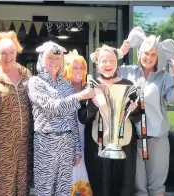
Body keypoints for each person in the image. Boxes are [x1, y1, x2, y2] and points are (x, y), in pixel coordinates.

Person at [119, 26, 174, 196]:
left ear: (158, 57)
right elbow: (104, 69)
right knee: (139, 187)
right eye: (145, 53)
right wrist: (119, 53)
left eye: (153, 54)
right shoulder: (128, 72)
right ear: (139, 53)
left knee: (156, 187)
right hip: (134, 139)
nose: (148, 57)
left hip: (157, 139)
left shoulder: (164, 77)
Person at [28, 41, 95, 196]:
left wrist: (77, 150)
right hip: (46, 141)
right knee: (44, 189)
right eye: (49, 57)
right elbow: (52, 108)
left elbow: (72, 118)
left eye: (57, 58)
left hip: (67, 143)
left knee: (63, 190)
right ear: (42, 59)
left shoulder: (66, 85)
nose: (54, 61)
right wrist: (80, 96)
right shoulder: (36, 82)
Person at [78, 44, 140, 196]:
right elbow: (82, 117)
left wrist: (133, 110)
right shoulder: (89, 85)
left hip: (124, 144)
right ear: (97, 64)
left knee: (124, 187)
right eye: (103, 61)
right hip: (97, 145)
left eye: (111, 60)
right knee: (101, 187)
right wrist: (94, 103)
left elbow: (138, 117)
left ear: (117, 63)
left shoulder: (128, 84)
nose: (108, 64)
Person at [0, 31, 33, 196]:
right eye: (3, 53)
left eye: (11, 52)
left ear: (16, 51)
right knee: (3, 186)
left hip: (26, 143)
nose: (8, 57)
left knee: (22, 186)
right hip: (2, 145)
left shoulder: (26, 74)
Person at [64, 49, 92, 196]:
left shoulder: (89, 88)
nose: (79, 70)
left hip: (87, 139)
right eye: (75, 67)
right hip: (68, 142)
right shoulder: (63, 90)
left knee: (86, 174)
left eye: (82, 67)